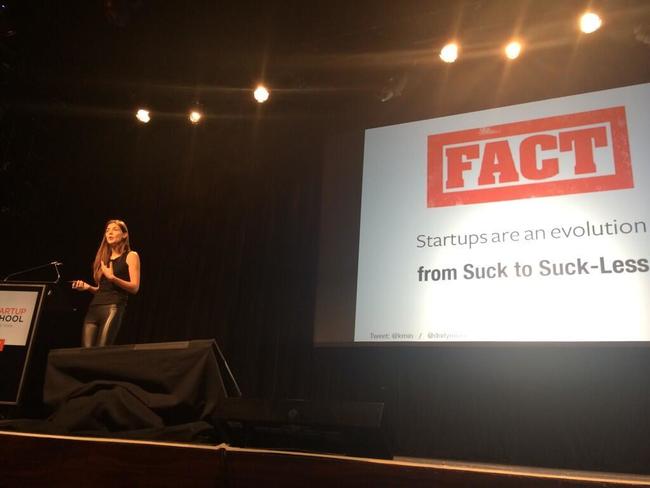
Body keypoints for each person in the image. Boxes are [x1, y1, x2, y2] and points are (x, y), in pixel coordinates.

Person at [72, 219, 141, 347]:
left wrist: (113, 278)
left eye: (115, 229)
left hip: (112, 308)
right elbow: (103, 289)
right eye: (107, 230)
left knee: (100, 351)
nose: (110, 233)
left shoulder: (131, 256)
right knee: (85, 353)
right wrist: (88, 287)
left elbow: (134, 287)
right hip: (94, 309)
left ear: (124, 234)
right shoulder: (103, 258)